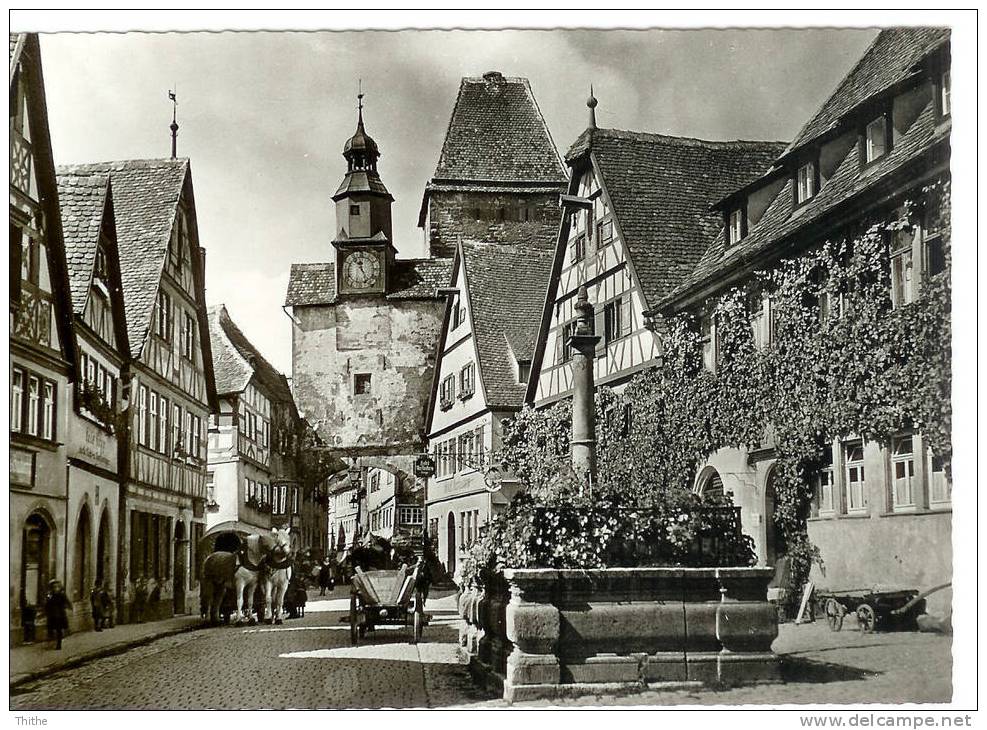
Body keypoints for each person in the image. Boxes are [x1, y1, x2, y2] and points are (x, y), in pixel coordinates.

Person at [44, 580, 72, 650]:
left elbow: (67, 602)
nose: (56, 588)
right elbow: (47, 604)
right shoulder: (50, 595)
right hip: (52, 614)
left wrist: (69, 607)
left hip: (60, 615)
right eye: (54, 587)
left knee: (59, 629)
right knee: (50, 629)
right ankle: (52, 641)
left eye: (57, 587)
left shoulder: (62, 595)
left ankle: (58, 644)